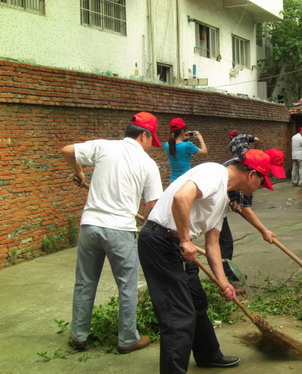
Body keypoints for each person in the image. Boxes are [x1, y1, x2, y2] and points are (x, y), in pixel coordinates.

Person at [137, 149, 274, 373]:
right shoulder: (214, 172)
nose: (261, 187)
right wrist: (185, 239)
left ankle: (208, 355)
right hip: (160, 242)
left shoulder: (223, 199)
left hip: (179, 245)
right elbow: (181, 197)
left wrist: (223, 282)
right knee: (178, 315)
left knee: (197, 302)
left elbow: (213, 245)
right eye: (263, 181)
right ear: (252, 175)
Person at [61, 112, 163, 354]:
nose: (151, 146)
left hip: (91, 225)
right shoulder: (148, 164)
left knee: (85, 282)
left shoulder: (103, 147)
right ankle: (128, 338)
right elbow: (152, 207)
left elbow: (67, 151)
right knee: (127, 286)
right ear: (145, 135)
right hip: (120, 228)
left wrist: (79, 172)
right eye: (152, 140)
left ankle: (78, 336)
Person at [220, 148, 286, 295]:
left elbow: (239, 203)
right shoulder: (247, 174)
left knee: (222, 242)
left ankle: (227, 275)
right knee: (224, 243)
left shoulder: (244, 165)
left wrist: (232, 201)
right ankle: (224, 280)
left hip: (218, 205)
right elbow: (245, 208)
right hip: (211, 208)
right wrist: (264, 231)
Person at [164, 117, 207, 182]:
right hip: (185, 181)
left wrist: (183, 139)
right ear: (182, 131)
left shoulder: (166, 145)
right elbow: (204, 152)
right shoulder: (187, 145)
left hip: (173, 181)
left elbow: (177, 146)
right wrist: (200, 137)